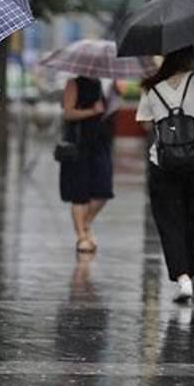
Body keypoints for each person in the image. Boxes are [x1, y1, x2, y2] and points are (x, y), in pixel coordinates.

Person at [136, 45, 194, 303]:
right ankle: (191, 272)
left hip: (162, 164)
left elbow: (145, 122)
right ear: (191, 56)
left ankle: (182, 277)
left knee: (169, 222)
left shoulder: (152, 87)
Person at [58, 76, 113, 253]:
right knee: (79, 193)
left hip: (99, 143)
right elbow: (67, 112)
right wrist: (92, 111)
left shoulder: (99, 84)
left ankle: (86, 225)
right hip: (78, 145)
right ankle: (81, 236)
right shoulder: (73, 84)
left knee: (103, 190)